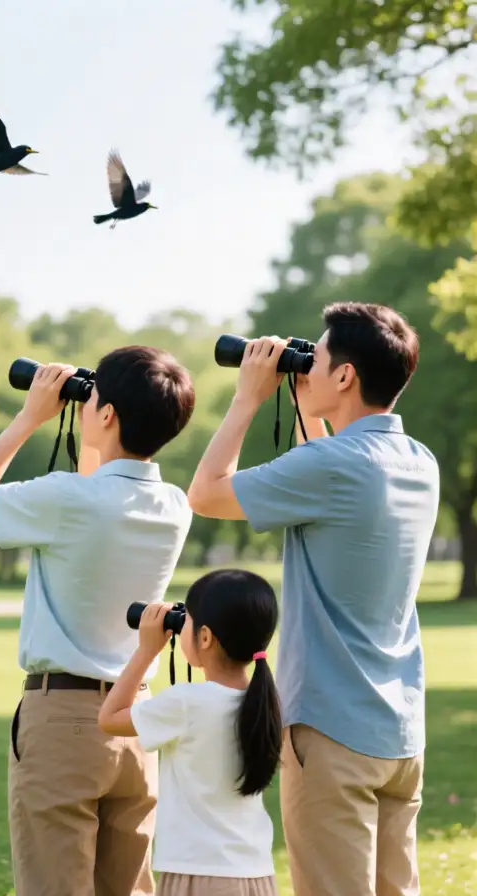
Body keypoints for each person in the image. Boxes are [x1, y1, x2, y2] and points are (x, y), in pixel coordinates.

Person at [188, 303, 440, 896]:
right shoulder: (418, 462)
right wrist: (306, 402)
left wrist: (249, 396)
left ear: (347, 377)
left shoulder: (330, 465)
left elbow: (205, 493)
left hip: (331, 728)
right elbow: (330, 479)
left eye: (319, 358)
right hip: (399, 729)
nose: (312, 366)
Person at [0, 345, 196, 896]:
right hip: (133, 722)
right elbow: (100, 486)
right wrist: (94, 425)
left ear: (106, 414)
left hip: (61, 720)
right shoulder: (175, 505)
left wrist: (30, 416)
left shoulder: (68, 499)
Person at [99, 568, 281, 896]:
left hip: (198, 873)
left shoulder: (186, 703)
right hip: (256, 874)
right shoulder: (266, 703)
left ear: (206, 637)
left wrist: (146, 650)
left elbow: (110, 717)